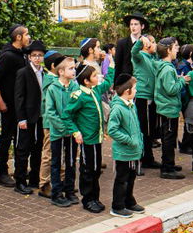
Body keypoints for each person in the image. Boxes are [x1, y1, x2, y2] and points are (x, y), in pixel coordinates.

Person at [0, 25, 31, 187]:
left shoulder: (22, 55)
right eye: (26, 34)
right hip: (8, 104)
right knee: (6, 138)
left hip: (20, 104)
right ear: (18, 37)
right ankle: (2, 172)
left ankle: (19, 169)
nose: (29, 37)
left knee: (20, 138)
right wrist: (0, 101)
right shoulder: (8, 56)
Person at [66, 63, 108, 213]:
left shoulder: (94, 90)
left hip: (97, 138)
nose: (98, 77)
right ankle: (87, 200)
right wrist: (75, 132)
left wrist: (113, 65)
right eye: (95, 76)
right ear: (86, 81)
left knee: (96, 169)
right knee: (88, 169)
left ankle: (95, 197)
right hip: (87, 139)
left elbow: (108, 82)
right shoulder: (79, 95)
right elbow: (67, 115)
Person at [43, 54, 79, 207]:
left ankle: (69, 190)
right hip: (58, 133)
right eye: (70, 69)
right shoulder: (52, 88)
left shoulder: (75, 87)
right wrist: (64, 128)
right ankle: (56, 193)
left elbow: (77, 109)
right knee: (56, 162)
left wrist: (73, 129)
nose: (74, 71)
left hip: (72, 134)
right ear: (61, 72)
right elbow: (50, 112)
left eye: (74, 68)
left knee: (71, 162)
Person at [13, 40, 48, 196]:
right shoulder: (23, 72)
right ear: (29, 57)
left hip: (40, 116)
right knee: (22, 149)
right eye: (34, 55)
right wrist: (21, 118)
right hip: (26, 117)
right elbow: (18, 97)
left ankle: (34, 177)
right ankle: (20, 181)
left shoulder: (44, 73)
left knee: (38, 148)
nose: (37, 58)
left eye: (40, 55)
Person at [106, 77, 145, 217]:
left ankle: (129, 201)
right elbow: (112, 130)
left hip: (133, 151)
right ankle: (117, 206)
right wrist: (129, 140)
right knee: (122, 179)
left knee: (131, 177)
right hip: (124, 152)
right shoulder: (118, 108)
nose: (136, 91)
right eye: (135, 88)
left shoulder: (130, 104)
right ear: (127, 91)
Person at [151, 38, 187, 179]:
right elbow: (171, 89)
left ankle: (169, 163)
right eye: (175, 47)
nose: (177, 49)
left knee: (169, 138)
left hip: (166, 107)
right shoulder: (166, 68)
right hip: (168, 108)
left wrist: (177, 79)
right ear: (168, 50)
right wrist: (182, 80)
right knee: (168, 139)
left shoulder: (165, 66)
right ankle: (167, 169)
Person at [130, 34, 160, 171]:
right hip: (142, 97)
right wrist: (140, 40)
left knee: (149, 131)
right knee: (141, 130)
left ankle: (148, 158)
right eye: (153, 42)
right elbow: (133, 51)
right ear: (147, 45)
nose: (156, 45)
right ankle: (138, 161)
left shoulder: (152, 58)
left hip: (151, 97)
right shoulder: (140, 57)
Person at [112, 13, 147, 89]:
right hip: (126, 83)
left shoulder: (146, 43)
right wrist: (116, 85)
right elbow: (118, 65)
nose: (133, 27)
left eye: (136, 24)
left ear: (142, 26)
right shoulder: (122, 43)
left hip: (142, 83)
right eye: (131, 24)